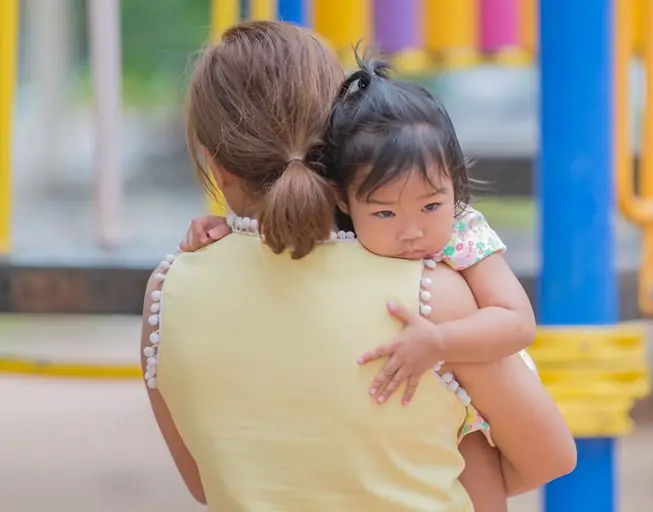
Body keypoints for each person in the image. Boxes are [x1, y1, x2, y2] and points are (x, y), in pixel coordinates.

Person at [142, 21, 574, 511]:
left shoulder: (167, 292)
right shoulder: (430, 297)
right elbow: (550, 457)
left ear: (214, 165)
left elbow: (205, 482)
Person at [179, 54, 537, 407]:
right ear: (344, 201)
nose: (412, 230)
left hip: (485, 397)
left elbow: (517, 321)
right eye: (385, 212)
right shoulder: (351, 225)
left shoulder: (462, 233)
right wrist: (231, 229)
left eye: (430, 206)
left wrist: (441, 340)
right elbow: (291, 224)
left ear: (454, 187)